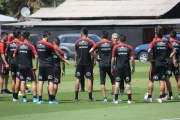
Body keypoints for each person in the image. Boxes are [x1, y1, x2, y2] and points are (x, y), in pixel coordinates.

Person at [35, 31, 70, 104]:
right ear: (48, 36)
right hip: (49, 65)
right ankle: (51, 100)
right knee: (51, 82)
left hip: (41, 65)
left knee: (41, 82)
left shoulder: (37, 44)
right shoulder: (49, 45)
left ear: (42, 36)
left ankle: (40, 99)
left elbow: (36, 55)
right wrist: (65, 61)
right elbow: (57, 54)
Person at [143, 29, 176, 103]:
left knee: (151, 80)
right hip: (164, 63)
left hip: (155, 63)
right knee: (161, 80)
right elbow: (174, 51)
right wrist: (168, 58)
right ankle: (161, 98)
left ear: (156, 35)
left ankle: (150, 98)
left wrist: (150, 59)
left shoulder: (154, 42)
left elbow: (148, 51)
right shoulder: (166, 42)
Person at [90, 31, 117, 102]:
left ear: (101, 37)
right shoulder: (112, 44)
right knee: (113, 81)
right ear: (108, 37)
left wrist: (96, 58)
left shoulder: (98, 43)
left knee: (102, 81)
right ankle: (115, 97)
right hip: (110, 64)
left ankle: (105, 98)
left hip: (101, 64)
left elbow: (90, 51)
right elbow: (117, 50)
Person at [13, 31, 38, 102]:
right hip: (29, 67)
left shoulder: (19, 45)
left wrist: (18, 63)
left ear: (23, 37)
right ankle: (35, 98)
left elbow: (14, 55)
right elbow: (36, 56)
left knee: (23, 82)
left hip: (21, 66)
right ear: (29, 37)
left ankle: (24, 98)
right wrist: (36, 66)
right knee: (33, 81)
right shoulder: (31, 46)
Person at [111, 35, 135, 104]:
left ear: (119, 40)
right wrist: (133, 68)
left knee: (117, 83)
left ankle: (115, 100)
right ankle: (129, 100)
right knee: (128, 83)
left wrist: (112, 68)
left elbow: (113, 59)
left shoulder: (115, 47)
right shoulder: (129, 47)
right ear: (125, 40)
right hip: (126, 68)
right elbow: (132, 59)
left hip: (118, 68)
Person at [74, 27, 95, 102]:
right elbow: (92, 53)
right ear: (87, 33)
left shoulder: (77, 42)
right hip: (88, 63)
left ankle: (76, 98)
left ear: (81, 33)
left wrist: (75, 61)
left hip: (79, 63)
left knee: (77, 79)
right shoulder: (90, 42)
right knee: (89, 79)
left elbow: (76, 53)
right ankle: (90, 98)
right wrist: (93, 61)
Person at [5, 29, 22, 101]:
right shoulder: (20, 43)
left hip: (11, 61)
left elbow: (6, 54)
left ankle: (14, 97)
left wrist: (11, 55)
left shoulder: (10, 43)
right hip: (18, 62)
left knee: (13, 80)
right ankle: (16, 97)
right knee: (18, 79)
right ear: (19, 35)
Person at [164, 31, 180, 100]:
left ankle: (169, 95)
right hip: (176, 62)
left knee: (166, 79)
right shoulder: (178, 43)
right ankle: (179, 94)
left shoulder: (167, 43)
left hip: (169, 61)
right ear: (176, 36)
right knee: (178, 78)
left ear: (169, 35)